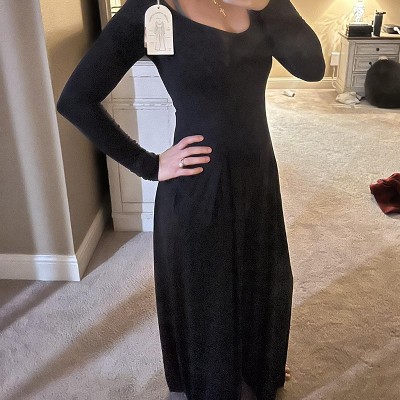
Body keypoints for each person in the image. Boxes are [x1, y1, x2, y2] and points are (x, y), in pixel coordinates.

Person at [56, 0, 325, 399]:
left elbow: (313, 68)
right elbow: (76, 99)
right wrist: (148, 164)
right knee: (210, 293)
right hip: (200, 184)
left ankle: (257, 362)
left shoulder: (259, 4)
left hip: (258, 176)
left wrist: (268, 3)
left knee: (261, 278)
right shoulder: (151, 10)